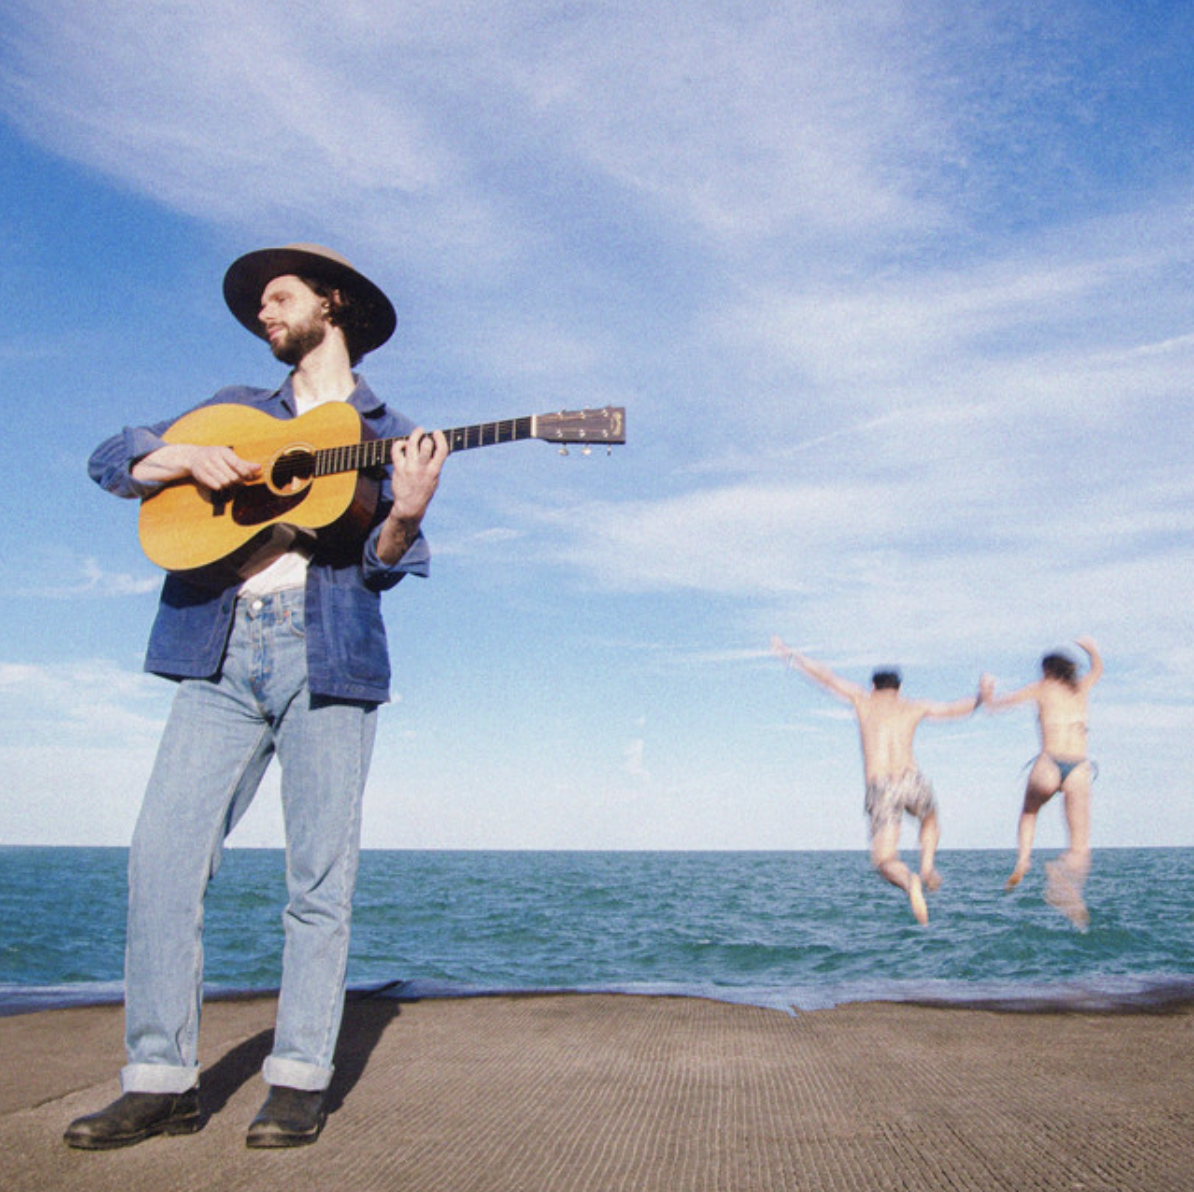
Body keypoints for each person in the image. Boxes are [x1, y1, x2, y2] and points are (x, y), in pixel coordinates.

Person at [66, 244, 448, 1150]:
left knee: (317, 880)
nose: (264, 315)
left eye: (280, 298)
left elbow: (384, 565)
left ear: (333, 303)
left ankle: (299, 1077)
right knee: (160, 860)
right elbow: (111, 461)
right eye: (260, 306)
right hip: (217, 651)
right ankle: (161, 1082)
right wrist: (185, 457)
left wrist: (404, 515)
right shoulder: (236, 412)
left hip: (328, 659)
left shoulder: (392, 430)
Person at [771, 637, 991, 925]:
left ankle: (910, 882)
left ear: (874, 686)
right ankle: (927, 867)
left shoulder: (861, 699)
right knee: (930, 820)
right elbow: (952, 711)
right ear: (899, 689)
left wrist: (792, 656)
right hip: (912, 780)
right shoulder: (913, 706)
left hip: (881, 787)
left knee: (885, 860)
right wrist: (980, 698)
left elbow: (825, 678)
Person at [983, 637, 1103, 928]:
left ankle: (1024, 860)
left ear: (1047, 671)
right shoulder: (1080, 689)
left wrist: (986, 691)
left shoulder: (1040, 689)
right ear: (1069, 670)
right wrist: (1090, 647)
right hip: (1078, 768)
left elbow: (994, 706)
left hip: (1048, 763)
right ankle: (1063, 880)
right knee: (1080, 847)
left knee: (1029, 813)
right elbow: (1098, 669)